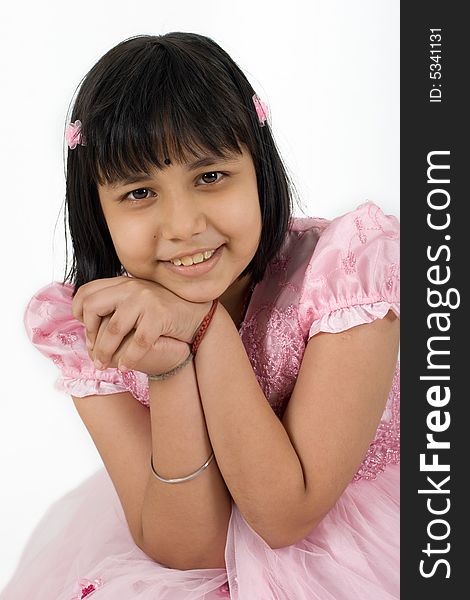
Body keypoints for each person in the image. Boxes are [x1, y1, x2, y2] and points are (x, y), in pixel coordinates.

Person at [1, 32, 400, 600]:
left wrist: (205, 329)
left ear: (258, 170)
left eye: (210, 177)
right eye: (139, 192)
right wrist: (167, 368)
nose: (183, 224)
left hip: (358, 544)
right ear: (97, 209)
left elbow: (287, 516)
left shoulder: (344, 277)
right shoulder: (89, 324)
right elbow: (195, 551)